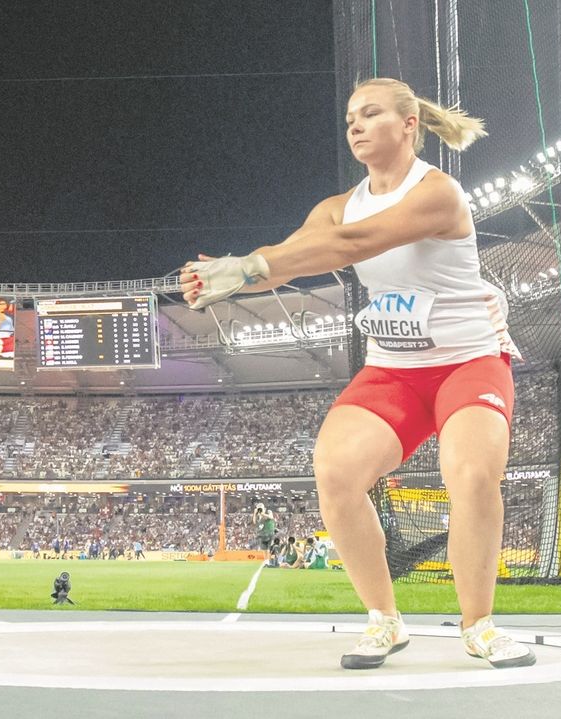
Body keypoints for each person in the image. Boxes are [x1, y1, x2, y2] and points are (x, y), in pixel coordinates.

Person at [180, 77, 534, 670]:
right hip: (394, 370)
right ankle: (384, 622)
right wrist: (232, 275)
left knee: (471, 473)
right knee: (336, 471)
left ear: (409, 125)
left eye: (371, 114)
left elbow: (352, 245)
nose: (356, 125)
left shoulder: (438, 193)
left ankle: (480, 626)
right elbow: (295, 259)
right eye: (350, 117)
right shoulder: (335, 206)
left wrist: (250, 266)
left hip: (467, 363)